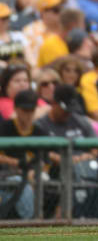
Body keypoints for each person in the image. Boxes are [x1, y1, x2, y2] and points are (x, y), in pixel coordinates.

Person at [0, 89, 47, 220]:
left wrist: (35, 170)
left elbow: (45, 159)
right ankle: (31, 223)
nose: (28, 114)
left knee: (39, 181)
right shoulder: (5, 127)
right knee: (22, 183)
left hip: (34, 175)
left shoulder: (39, 131)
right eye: (24, 110)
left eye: (31, 110)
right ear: (16, 108)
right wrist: (16, 163)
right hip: (6, 175)